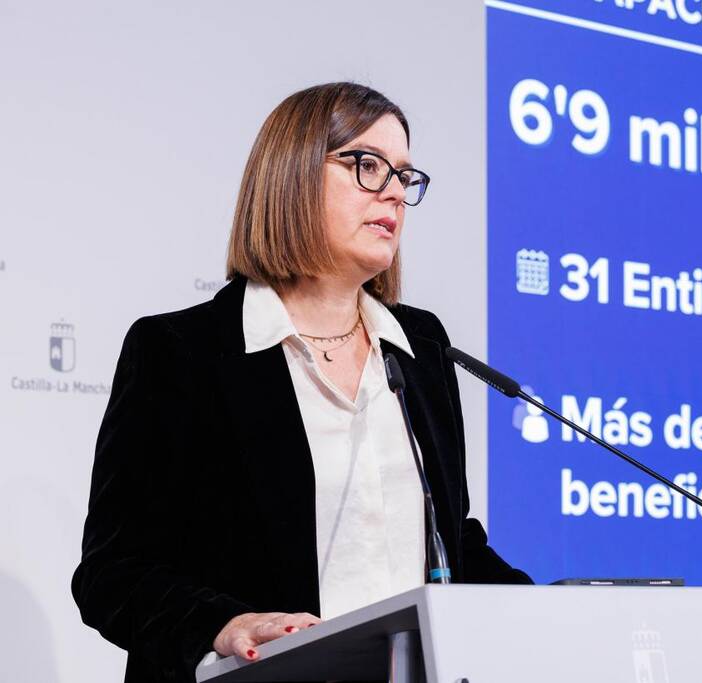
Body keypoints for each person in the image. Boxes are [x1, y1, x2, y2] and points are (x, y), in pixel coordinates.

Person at [72, 82, 531, 683]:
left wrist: (546, 610)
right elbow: (113, 572)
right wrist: (224, 625)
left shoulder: (420, 347)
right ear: (291, 174)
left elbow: (450, 542)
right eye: (368, 165)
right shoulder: (181, 352)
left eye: (404, 175)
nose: (395, 191)